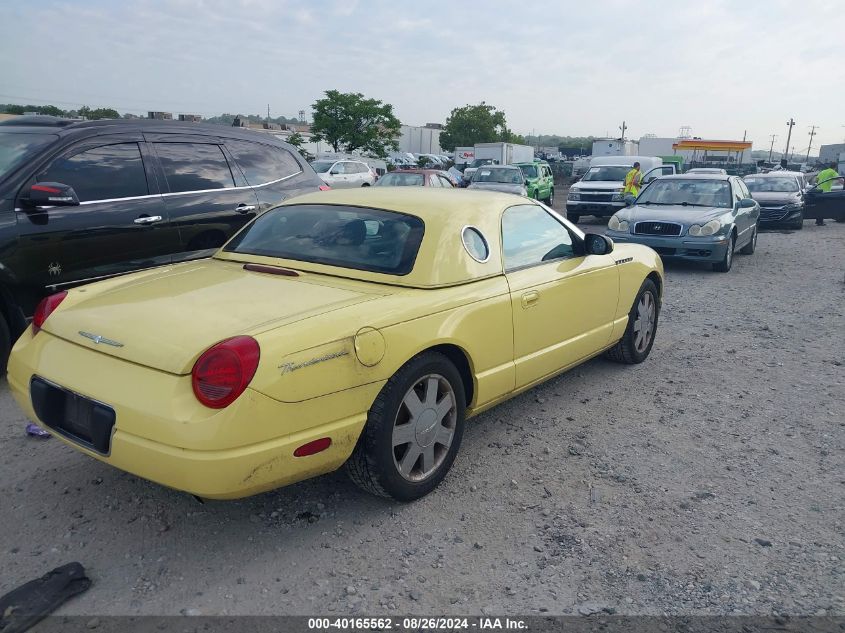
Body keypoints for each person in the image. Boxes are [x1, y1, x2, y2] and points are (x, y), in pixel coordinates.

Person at [813, 161, 840, 226]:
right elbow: (840, 179)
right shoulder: (833, 172)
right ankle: (820, 222)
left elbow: (815, 180)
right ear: (835, 167)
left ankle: (818, 220)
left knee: (819, 207)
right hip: (825, 192)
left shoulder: (823, 171)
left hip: (818, 191)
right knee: (824, 207)